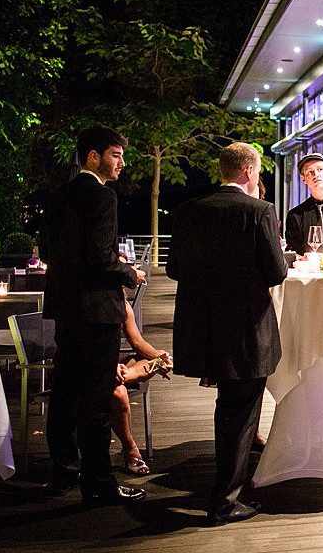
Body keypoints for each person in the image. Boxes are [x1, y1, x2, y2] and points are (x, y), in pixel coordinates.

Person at [168, 142, 288, 525]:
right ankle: (225, 500)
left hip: (202, 328)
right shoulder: (260, 211)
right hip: (246, 331)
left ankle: (224, 489)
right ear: (250, 171)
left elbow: (173, 269)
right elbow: (275, 272)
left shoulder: (189, 211)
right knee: (241, 413)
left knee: (228, 408)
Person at [41, 125, 146, 505]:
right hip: (97, 312)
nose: (122, 163)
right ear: (93, 157)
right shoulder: (103, 198)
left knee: (65, 392)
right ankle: (99, 482)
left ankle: (64, 471)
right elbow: (101, 259)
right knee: (96, 398)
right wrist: (129, 272)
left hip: (66, 308)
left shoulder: (58, 196)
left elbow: (49, 251)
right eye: (116, 155)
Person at [111, 296, 172, 476]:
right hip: (89, 364)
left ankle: (122, 375)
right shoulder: (90, 303)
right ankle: (130, 448)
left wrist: (160, 356)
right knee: (118, 392)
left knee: (150, 361)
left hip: (116, 365)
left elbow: (137, 342)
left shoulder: (122, 304)